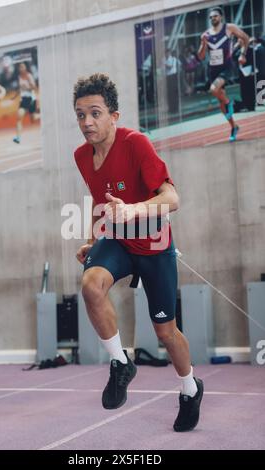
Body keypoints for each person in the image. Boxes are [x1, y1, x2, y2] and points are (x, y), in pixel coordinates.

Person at [73, 73, 204, 432]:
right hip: (116, 239)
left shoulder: (136, 143)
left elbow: (172, 198)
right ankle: (120, 363)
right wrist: (92, 238)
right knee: (90, 285)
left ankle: (190, 388)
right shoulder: (81, 156)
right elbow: (100, 202)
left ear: (114, 116)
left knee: (166, 333)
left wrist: (134, 210)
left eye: (96, 113)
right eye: (81, 115)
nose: (87, 122)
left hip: (154, 244)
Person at [197, 6, 249, 142]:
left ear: (221, 17)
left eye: (215, 16)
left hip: (226, 67)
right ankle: (234, 126)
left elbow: (245, 38)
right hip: (212, 70)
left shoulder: (229, 28)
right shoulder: (206, 35)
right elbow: (201, 56)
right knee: (221, 102)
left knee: (214, 90)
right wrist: (203, 43)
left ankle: (229, 101)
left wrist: (243, 54)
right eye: (211, 17)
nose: (213, 18)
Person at [12, 62, 40, 144]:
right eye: (19, 67)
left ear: (25, 68)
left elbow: (34, 87)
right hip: (23, 99)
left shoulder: (29, 76)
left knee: (33, 119)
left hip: (31, 99)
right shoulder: (19, 77)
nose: (21, 68)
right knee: (19, 117)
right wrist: (14, 96)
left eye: (22, 67)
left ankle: (41, 115)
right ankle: (18, 137)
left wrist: (27, 87)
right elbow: (20, 88)